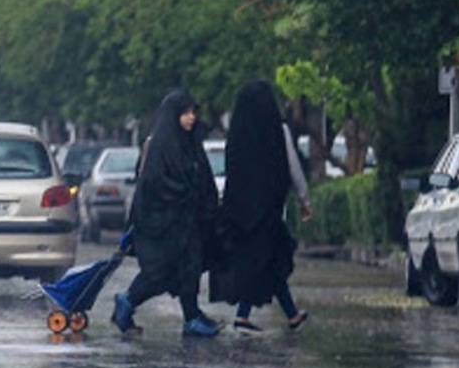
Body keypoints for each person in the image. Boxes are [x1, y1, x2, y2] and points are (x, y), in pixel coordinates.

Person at [111, 89, 222, 337]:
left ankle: (191, 317)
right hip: (162, 224)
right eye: (185, 113)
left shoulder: (191, 143)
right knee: (160, 273)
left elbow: (203, 177)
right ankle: (127, 301)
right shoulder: (162, 144)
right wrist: (184, 194)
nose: (191, 118)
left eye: (193, 112)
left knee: (189, 268)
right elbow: (154, 183)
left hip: (188, 222)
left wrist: (207, 203)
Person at [212, 79, 312, 334]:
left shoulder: (236, 135)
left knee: (262, 262)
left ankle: (288, 315)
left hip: (241, 213)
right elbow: (293, 169)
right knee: (268, 261)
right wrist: (304, 201)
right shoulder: (279, 131)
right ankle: (251, 317)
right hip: (269, 213)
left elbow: (231, 173)